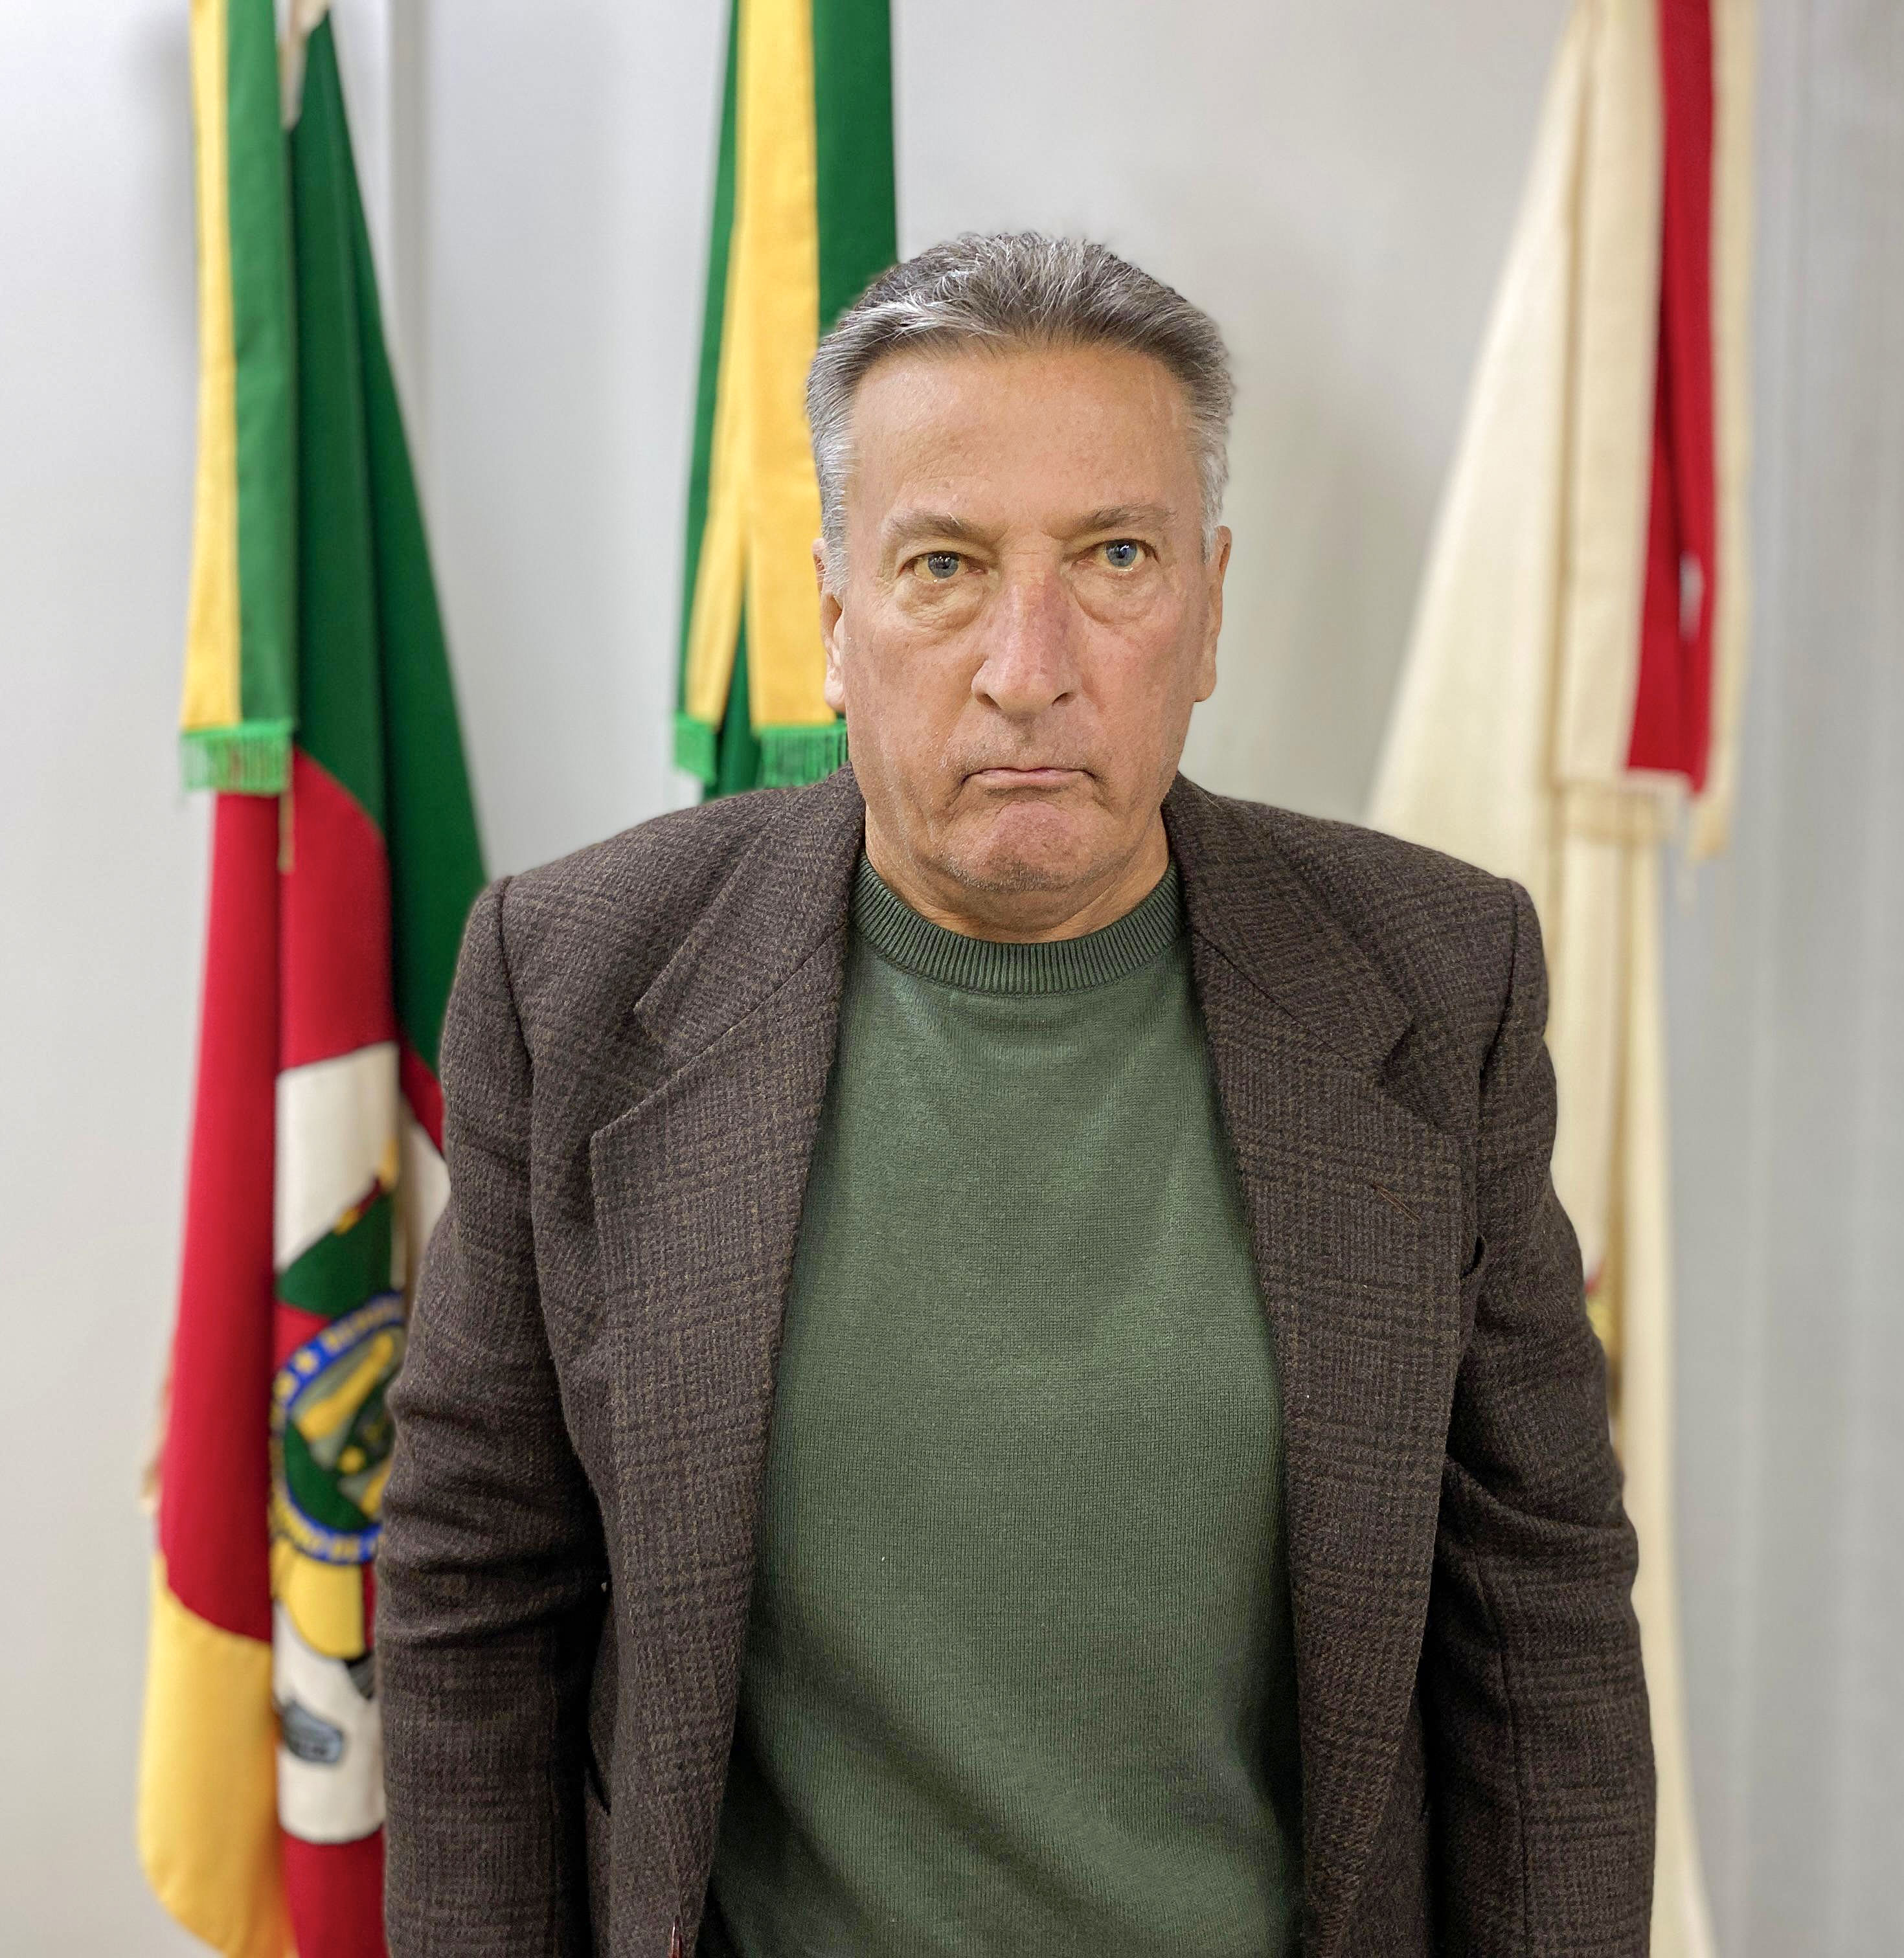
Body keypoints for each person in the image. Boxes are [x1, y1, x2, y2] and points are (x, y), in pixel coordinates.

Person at [378, 232, 1653, 1958]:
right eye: (944, 567)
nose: (1027, 665)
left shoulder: (1434, 982)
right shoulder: (577, 979)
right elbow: (476, 1599)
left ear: (1208, 606)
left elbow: (1538, 1626)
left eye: (1114, 557)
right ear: (834, 619)